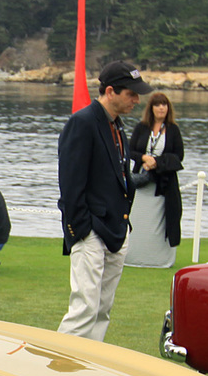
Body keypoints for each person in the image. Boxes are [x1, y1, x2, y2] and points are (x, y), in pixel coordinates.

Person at [57, 60, 150, 341]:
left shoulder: (117, 127)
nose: (136, 99)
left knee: (102, 309)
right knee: (84, 308)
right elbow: (70, 185)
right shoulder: (82, 123)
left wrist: (123, 226)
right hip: (91, 232)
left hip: (116, 230)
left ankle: (89, 368)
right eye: (131, 94)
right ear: (110, 91)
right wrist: (81, 231)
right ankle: (55, 369)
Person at [125, 92, 185, 268]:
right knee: (138, 218)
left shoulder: (173, 130)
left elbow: (178, 156)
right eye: (158, 105)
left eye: (164, 105)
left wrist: (157, 162)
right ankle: (132, 256)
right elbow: (130, 150)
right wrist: (144, 158)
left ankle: (161, 259)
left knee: (166, 219)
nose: (161, 108)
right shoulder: (142, 127)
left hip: (164, 183)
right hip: (142, 181)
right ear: (151, 108)